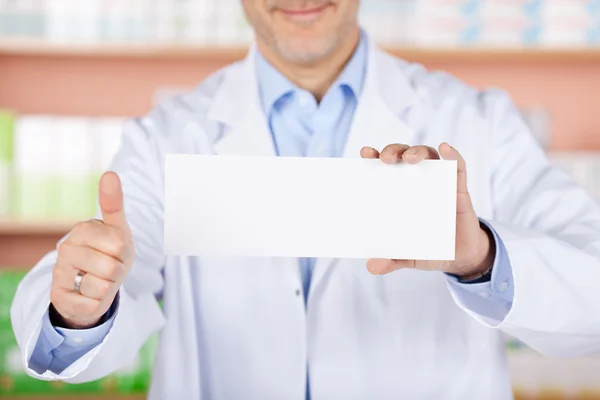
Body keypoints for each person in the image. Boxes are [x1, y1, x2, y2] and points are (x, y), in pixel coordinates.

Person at [11, 1, 600, 399]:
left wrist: (482, 260)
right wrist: (80, 310)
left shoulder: (478, 121)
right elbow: (105, 287)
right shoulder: (167, 135)